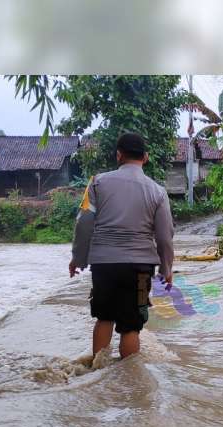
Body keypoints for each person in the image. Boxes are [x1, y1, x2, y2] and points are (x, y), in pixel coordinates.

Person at [69, 132, 175, 359]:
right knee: (131, 326)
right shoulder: (158, 192)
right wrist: (166, 269)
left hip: (104, 264)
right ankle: (129, 377)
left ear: (119, 155)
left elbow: (84, 223)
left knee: (104, 317)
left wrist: (78, 258)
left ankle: (97, 371)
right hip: (141, 269)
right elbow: (165, 236)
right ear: (145, 157)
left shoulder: (96, 183)